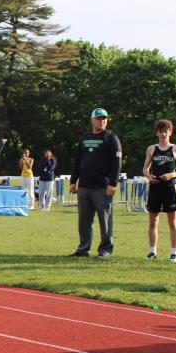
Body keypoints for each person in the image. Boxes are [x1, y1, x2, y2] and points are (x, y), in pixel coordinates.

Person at [69, 108, 122, 259]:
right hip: (84, 186)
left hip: (102, 187)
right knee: (84, 221)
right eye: (99, 118)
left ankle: (105, 250)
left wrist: (113, 183)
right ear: (92, 120)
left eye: (104, 118)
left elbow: (117, 162)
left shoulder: (111, 138)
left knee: (105, 221)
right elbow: (77, 160)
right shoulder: (85, 137)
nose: (102, 121)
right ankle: (83, 249)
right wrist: (73, 181)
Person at [143, 119, 176, 262]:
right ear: (157, 133)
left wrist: (171, 175)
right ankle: (152, 251)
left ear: (170, 132)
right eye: (160, 132)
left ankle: (174, 253)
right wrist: (149, 177)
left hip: (169, 188)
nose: (163, 134)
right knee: (153, 220)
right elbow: (145, 169)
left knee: (172, 222)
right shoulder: (151, 149)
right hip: (155, 188)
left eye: (166, 131)